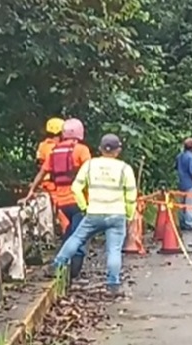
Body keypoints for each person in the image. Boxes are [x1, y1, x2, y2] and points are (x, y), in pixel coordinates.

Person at [49, 134, 137, 296]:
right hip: (116, 214)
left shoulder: (90, 165)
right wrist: (129, 216)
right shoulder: (125, 169)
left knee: (77, 238)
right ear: (118, 151)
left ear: (100, 149)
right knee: (114, 250)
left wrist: (84, 206)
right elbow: (131, 196)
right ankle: (112, 284)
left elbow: (76, 188)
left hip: (93, 212)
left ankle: (57, 265)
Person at [26, 118, 92, 278]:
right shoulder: (82, 150)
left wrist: (31, 191)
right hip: (78, 201)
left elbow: (41, 172)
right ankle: (71, 272)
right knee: (79, 236)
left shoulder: (54, 151)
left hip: (59, 201)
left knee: (69, 233)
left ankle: (64, 267)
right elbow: (90, 173)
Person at [176, 138, 192, 230]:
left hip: (181, 182)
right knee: (190, 203)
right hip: (190, 184)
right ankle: (190, 223)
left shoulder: (180, 156)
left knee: (182, 204)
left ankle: (182, 222)